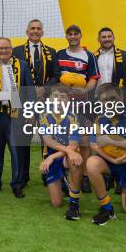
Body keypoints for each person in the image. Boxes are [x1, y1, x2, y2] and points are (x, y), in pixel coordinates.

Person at [0, 37, 35, 198]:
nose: (3, 51)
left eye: (6, 48)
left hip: (15, 114)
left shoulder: (22, 65)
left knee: (16, 151)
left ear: (11, 49)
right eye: (0, 48)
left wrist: (31, 111)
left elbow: (30, 90)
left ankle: (17, 184)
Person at [49, 24, 100, 193]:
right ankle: (65, 173)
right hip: (63, 104)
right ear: (66, 36)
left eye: (75, 34)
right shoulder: (60, 54)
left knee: (84, 140)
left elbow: (93, 78)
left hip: (82, 103)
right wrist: (62, 91)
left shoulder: (89, 55)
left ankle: (85, 176)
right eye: (69, 34)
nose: (72, 36)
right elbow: (56, 77)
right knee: (63, 139)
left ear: (80, 35)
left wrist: (84, 90)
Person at [87, 83, 126, 226]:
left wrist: (110, 139)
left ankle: (125, 185)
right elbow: (94, 144)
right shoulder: (100, 118)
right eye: (104, 101)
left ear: (121, 98)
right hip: (111, 162)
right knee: (91, 163)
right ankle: (107, 207)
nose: (109, 104)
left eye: (113, 99)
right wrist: (112, 161)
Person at [93, 26, 126, 193]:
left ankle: (122, 178)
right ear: (99, 40)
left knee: (122, 137)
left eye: (109, 36)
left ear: (113, 37)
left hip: (120, 102)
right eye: (103, 37)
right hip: (100, 103)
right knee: (103, 137)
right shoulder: (93, 56)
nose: (106, 39)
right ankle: (108, 176)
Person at [13, 19, 56, 186]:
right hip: (25, 104)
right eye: (32, 28)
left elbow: (56, 76)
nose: (35, 31)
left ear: (42, 32)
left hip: (46, 102)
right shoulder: (16, 51)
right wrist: (31, 92)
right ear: (27, 31)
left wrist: (43, 89)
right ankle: (22, 177)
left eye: (38, 29)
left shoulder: (51, 52)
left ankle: (49, 176)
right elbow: (14, 76)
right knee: (23, 140)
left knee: (49, 140)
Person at [38, 85, 83, 220]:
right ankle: (64, 182)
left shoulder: (73, 116)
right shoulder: (44, 115)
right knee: (56, 203)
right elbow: (48, 141)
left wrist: (52, 156)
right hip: (55, 152)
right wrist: (51, 156)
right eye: (56, 96)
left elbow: (73, 145)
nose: (59, 99)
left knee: (73, 160)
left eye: (63, 97)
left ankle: (74, 204)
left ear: (68, 100)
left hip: (67, 154)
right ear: (50, 99)